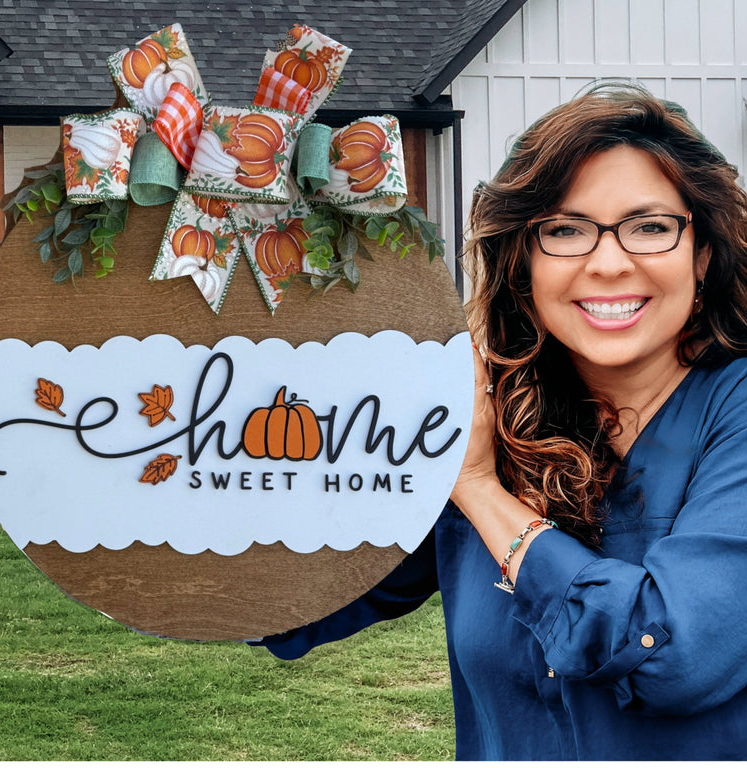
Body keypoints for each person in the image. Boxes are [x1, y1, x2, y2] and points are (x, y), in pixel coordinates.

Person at [252, 83, 747, 760]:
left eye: (651, 226)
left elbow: (674, 655)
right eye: (565, 230)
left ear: (704, 253)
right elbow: (301, 596)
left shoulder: (733, 414)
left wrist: (481, 490)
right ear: (524, 263)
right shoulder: (489, 413)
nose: (608, 262)